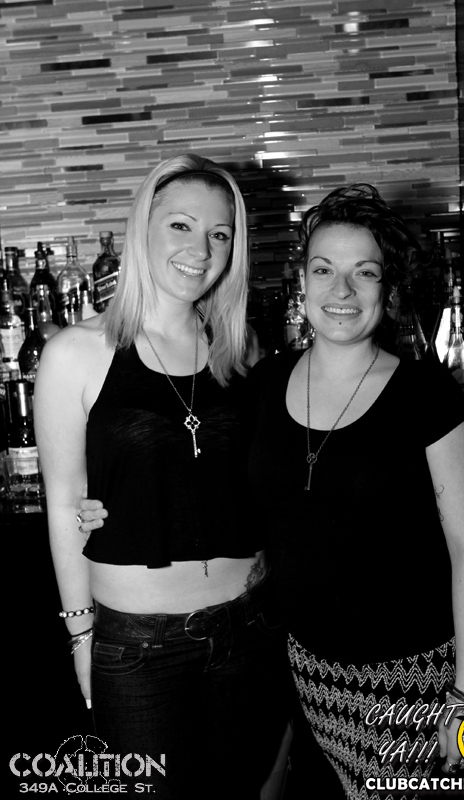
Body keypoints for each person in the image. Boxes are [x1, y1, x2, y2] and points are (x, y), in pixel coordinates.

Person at [79, 183, 464, 798]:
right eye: (324, 270)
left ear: (388, 288)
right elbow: (204, 463)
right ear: (302, 281)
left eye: (364, 272)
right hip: (299, 669)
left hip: (411, 675)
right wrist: (107, 503)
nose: (341, 291)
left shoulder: (426, 395)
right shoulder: (265, 380)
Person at [33, 153, 289, 800]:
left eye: (219, 233)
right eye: (180, 225)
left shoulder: (242, 350)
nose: (200, 250)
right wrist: (80, 633)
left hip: (248, 629)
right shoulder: (75, 354)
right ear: (141, 228)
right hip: (137, 646)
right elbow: (64, 503)